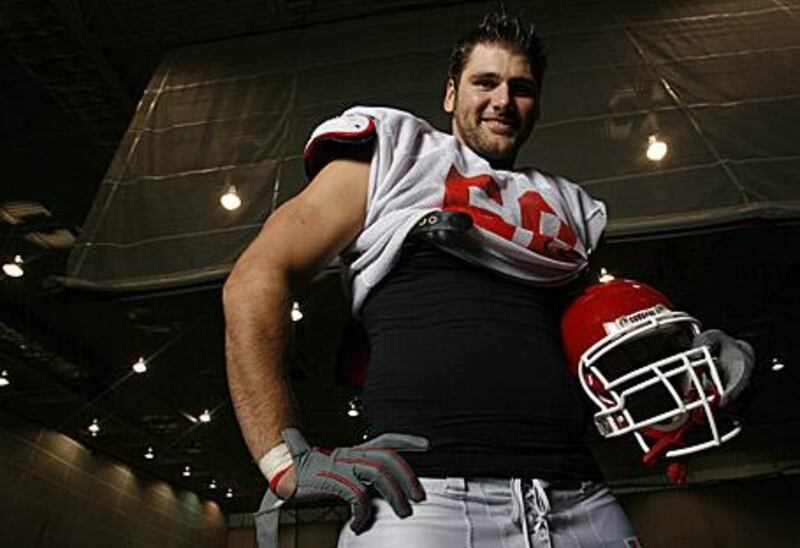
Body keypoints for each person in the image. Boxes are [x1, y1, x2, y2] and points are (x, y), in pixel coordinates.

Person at [224, 12, 752, 548]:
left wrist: (683, 370)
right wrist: (281, 456)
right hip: (426, 500)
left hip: (578, 497)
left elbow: (581, 347)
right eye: (485, 82)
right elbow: (256, 276)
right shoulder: (394, 155)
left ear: (536, 105)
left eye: (520, 88)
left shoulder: (570, 204)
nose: (503, 99)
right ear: (451, 95)